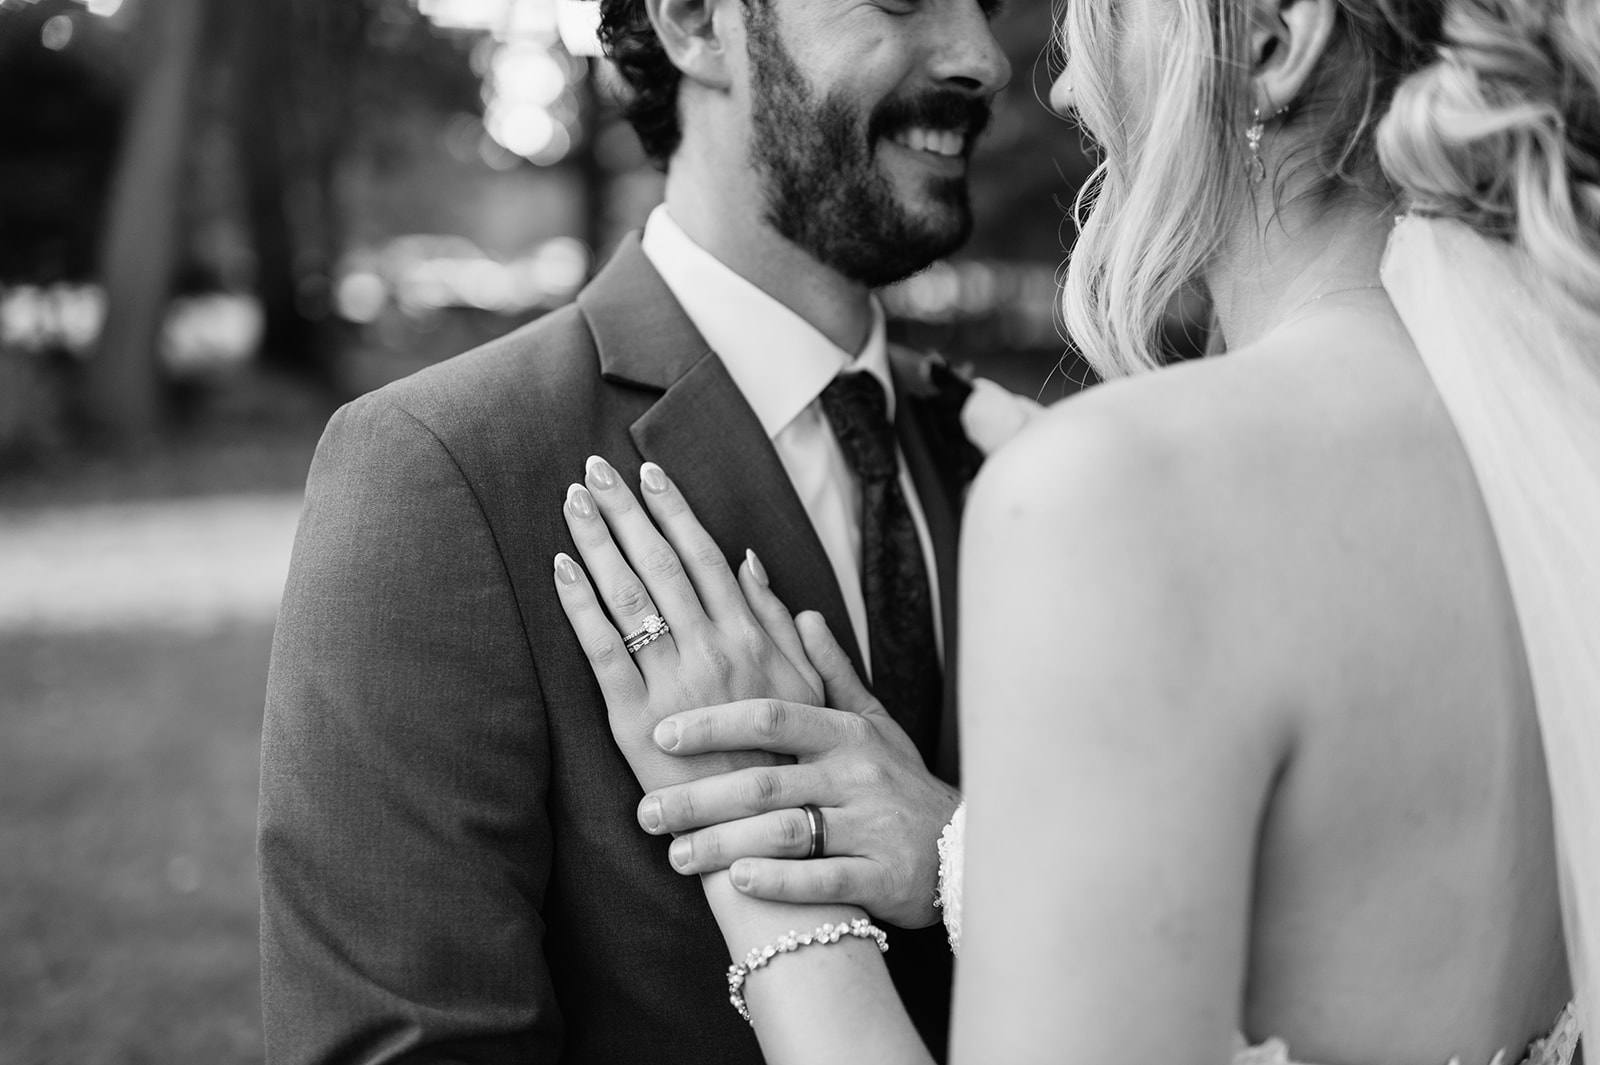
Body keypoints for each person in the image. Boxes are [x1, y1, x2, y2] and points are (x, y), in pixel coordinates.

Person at [551, 0, 1599, 1058]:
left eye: (1112, 19)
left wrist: (763, 870)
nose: (1060, 90)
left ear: (1277, 46)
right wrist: (970, 858)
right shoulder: (1553, 455)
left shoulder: (1124, 493)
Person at [256, 0, 1020, 1061]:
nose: (979, 58)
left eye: (985, 5)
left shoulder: (1016, 462)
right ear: (696, 22)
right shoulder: (448, 467)